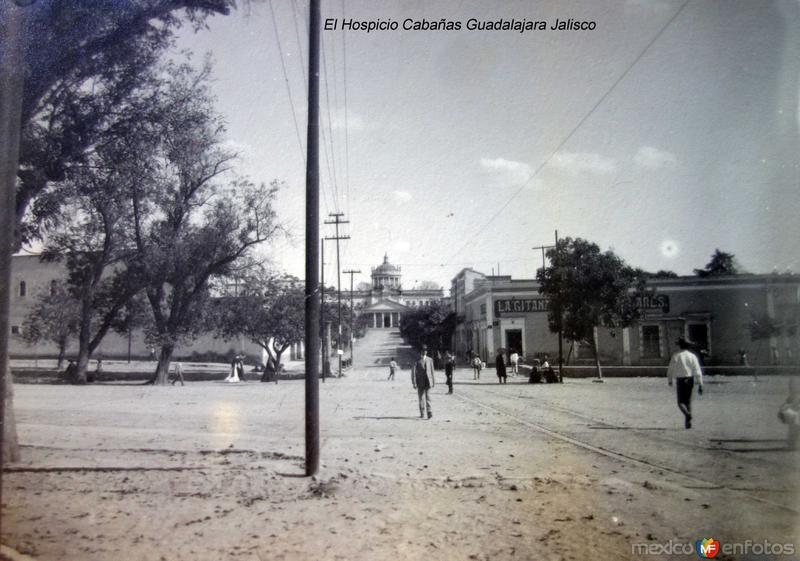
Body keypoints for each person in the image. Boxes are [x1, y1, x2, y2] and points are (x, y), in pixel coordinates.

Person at [667, 337, 704, 429]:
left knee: (680, 402)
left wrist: (670, 380)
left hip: (680, 380)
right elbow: (697, 370)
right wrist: (700, 384)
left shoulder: (676, 355)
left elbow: (670, 369)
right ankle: (688, 424)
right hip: (690, 379)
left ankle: (688, 415)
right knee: (688, 402)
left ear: (679, 346)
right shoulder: (692, 356)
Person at [411, 345, 435, 419]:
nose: (425, 351)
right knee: (421, 397)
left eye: (426, 350)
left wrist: (433, 381)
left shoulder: (430, 360)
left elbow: (432, 371)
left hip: (428, 381)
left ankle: (429, 412)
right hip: (420, 381)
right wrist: (414, 382)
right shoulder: (417, 360)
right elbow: (413, 372)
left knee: (428, 397)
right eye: (423, 350)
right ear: (420, 352)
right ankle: (422, 412)